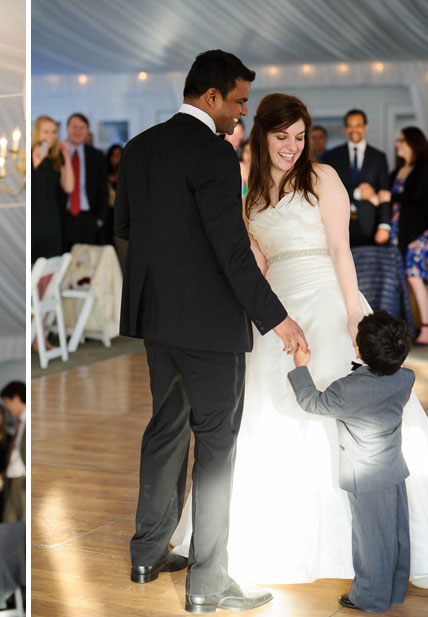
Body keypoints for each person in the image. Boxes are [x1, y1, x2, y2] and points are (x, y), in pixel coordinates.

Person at [170, 93, 428, 592]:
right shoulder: (247, 192)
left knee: (344, 411)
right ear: (262, 136)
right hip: (277, 309)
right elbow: (256, 264)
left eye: (299, 137)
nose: (292, 147)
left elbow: (341, 248)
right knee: (264, 411)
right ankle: (272, 539)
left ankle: (363, 543)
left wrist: (355, 311)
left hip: (329, 300)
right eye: (281, 137)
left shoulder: (324, 178)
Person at [115, 50, 305, 613]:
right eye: (240, 100)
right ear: (211, 96)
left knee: (165, 430)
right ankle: (208, 583)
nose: (242, 112)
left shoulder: (139, 148)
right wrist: (279, 318)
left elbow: (125, 229)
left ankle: (147, 554)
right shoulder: (214, 155)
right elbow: (231, 253)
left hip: (157, 323)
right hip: (212, 331)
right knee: (217, 449)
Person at [288, 311, 413, 612]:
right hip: (393, 469)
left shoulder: (347, 389)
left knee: (372, 542)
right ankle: (395, 589)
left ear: (358, 350)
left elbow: (312, 402)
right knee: (397, 534)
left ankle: (369, 597)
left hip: (365, 477)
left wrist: (301, 368)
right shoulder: (405, 379)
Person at [389, 126, 428, 345]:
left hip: (420, 231)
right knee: (406, 278)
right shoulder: (398, 170)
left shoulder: (425, 167)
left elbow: (417, 196)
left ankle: (426, 327)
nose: (397, 144)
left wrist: (388, 195)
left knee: (414, 276)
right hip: (401, 231)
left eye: (402, 140)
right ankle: (409, 327)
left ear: (413, 143)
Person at [323, 109, 392, 247]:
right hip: (339, 225)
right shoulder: (332, 156)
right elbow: (326, 191)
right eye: (350, 125)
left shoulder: (379, 157)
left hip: (370, 225)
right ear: (346, 128)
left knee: (368, 267)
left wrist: (384, 225)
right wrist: (358, 193)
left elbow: (384, 192)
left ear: (365, 127)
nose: (354, 130)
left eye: (358, 125)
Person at [63, 113, 109, 250]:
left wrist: (100, 219)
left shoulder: (97, 155)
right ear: (67, 129)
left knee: (88, 265)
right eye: (74, 127)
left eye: (82, 127)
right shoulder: (58, 154)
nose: (78, 131)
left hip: (88, 218)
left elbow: (103, 190)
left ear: (87, 130)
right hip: (63, 216)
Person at [31, 115, 74, 261]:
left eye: (54, 132)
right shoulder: (32, 154)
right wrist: (42, 149)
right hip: (34, 218)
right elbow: (35, 166)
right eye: (46, 131)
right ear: (37, 132)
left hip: (52, 219)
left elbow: (69, 187)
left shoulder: (57, 158)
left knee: (50, 264)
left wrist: (67, 156)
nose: (51, 136)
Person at [0, 382, 26, 524]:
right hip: (12, 481)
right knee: (10, 526)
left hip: (22, 482)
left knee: (22, 526)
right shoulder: (20, 423)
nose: (6, 406)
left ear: (16, 398)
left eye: (7, 401)